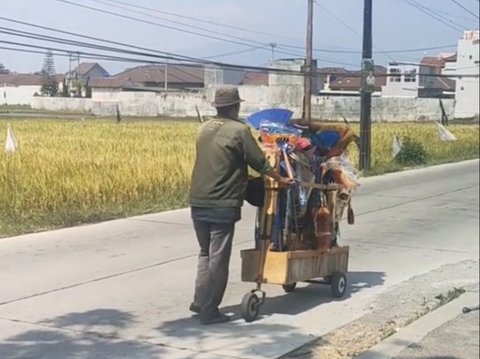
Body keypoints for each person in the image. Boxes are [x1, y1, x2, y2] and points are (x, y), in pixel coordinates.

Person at [189, 87, 294, 325]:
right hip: (222, 202)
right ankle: (210, 310)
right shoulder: (239, 130)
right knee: (218, 258)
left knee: (205, 253)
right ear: (235, 107)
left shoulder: (203, 128)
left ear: (217, 107)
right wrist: (281, 180)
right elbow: (259, 162)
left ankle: (200, 301)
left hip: (197, 199)